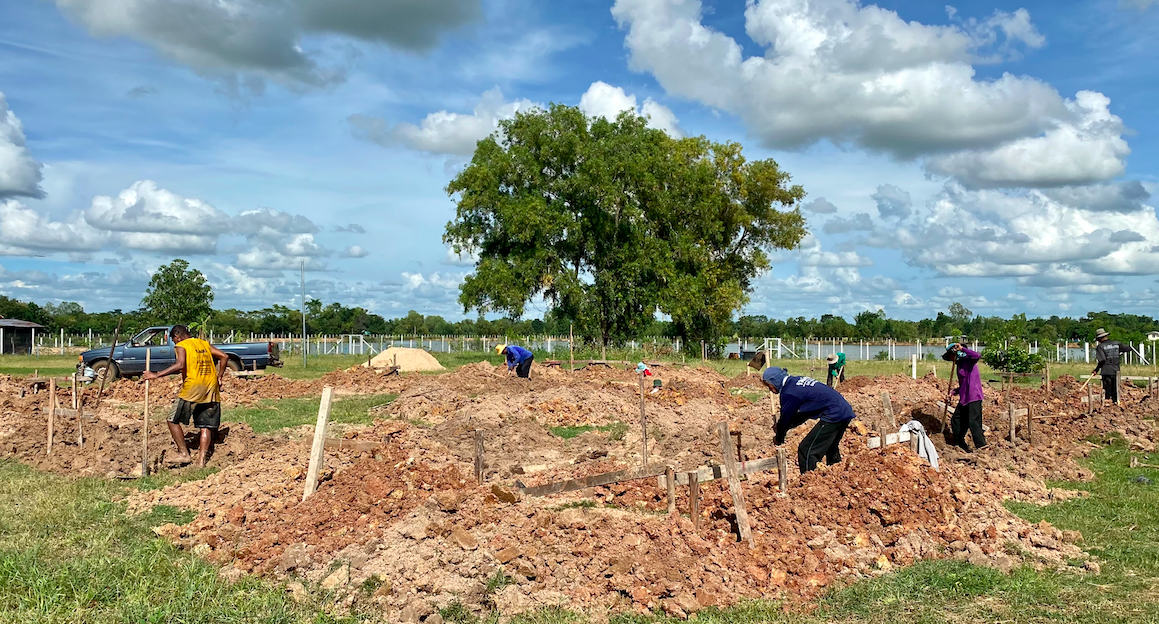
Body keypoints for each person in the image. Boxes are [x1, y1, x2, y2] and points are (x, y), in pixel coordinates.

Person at [142, 325, 228, 467]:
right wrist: (219, 377)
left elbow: (180, 364)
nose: (175, 343)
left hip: (193, 387)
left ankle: (184, 454)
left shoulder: (182, 345)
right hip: (210, 386)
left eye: (174, 340)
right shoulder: (203, 343)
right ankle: (201, 461)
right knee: (205, 425)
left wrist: (156, 375)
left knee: (172, 420)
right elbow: (224, 356)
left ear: (177, 336)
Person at [762, 367, 855, 473]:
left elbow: (785, 419)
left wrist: (779, 437)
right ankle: (837, 476)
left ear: (775, 381)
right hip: (843, 409)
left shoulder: (789, 393)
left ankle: (807, 483)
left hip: (834, 414)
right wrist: (788, 426)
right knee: (830, 447)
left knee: (806, 451)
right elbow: (805, 413)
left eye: (769, 385)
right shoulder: (795, 382)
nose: (770, 389)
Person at [943, 343, 986, 452]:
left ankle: (981, 446)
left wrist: (963, 349)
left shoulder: (969, 361)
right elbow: (963, 385)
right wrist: (953, 392)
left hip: (974, 397)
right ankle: (960, 444)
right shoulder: (959, 366)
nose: (951, 359)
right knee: (956, 420)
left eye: (951, 356)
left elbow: (977, 355)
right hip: (964, 398)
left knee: (974, 422)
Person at [1092, 328, 1121, 405]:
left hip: (1106, 371)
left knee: (1107, 388)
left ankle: (1107, 403)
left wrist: (1096, 370)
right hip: (1116, 370)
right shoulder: (1116, 344)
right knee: (1115, 387)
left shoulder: (1100, 347)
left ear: (1099, 339)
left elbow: (1102, 360)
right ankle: (1116, 402)